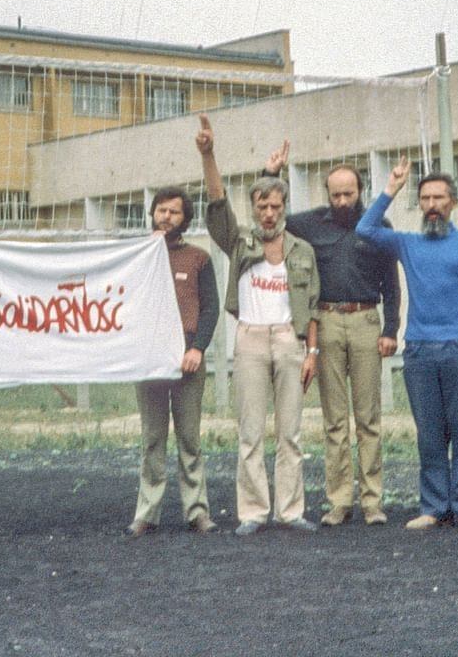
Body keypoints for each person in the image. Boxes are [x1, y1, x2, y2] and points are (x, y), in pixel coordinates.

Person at [263, 143, 401, 526]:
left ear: (361, 191)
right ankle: (339, 500)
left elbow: (391, 281)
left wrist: (391, 328)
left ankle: (373, 502)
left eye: (349, 193)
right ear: (327, 194)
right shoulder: (310, 223)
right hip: (324, 322)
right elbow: (271, 216)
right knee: (334, 419)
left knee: (369, 418)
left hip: (364, 321)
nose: (342, 200)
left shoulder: (377, 226)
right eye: (336, 194)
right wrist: (272, 174)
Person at [357, 158, 458, 532]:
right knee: (430, 433)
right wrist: (391, 188)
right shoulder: (407, 243)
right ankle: (434, 506)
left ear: (453, 202)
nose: (432, 205)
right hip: (419, 350)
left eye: (439, 197)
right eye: (425, 198)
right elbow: (365, 227)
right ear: (419, 204)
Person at [197, 116, 321, 535]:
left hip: (289, 340)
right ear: (253, 210)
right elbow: (217, 202)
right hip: (249, 337)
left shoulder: (301, 249)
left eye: (276, 206)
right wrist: (208, 154)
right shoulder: (240, 240)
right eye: (262, 206)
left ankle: (291, 509)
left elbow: (314, 306)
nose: (269, 213)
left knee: (291, 431)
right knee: (250, 432)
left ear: (285, 209)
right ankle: (252, 511)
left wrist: (312, 353)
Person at [128, 186, 219, 535]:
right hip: (149, 356)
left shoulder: (198, 258)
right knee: (152, 436)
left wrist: (197, 348)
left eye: (174, 212)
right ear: (152, 213)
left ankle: (197, 511)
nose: (166, 217)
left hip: (186, 355)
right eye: (161, 210)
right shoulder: (135, 255)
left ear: (186, 218)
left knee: (189, 437)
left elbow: (210, 307)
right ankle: (146, 512)